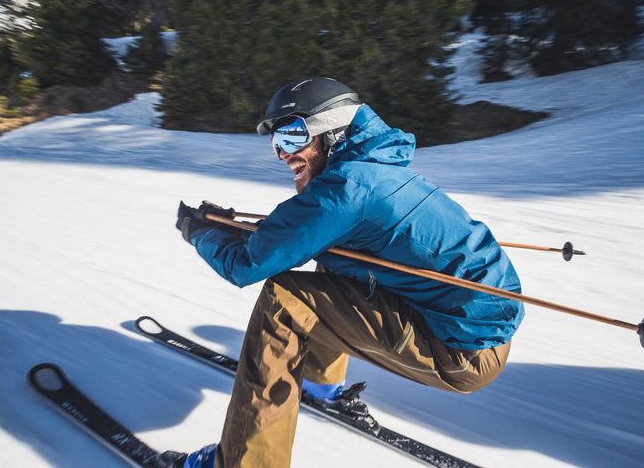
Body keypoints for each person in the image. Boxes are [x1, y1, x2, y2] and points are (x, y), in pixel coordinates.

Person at [159, 77, 525, 468]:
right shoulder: (375, 170)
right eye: (277, 142)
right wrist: (233, 230)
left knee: (284, 298)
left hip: (459, 352)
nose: (283, 154)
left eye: (293, 136)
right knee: (332, 257)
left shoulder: (346, 188)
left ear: (332, 132)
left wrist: (200, 231)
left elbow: (245, 265)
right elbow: (300, 235)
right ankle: (320, 381)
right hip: (473, 334)